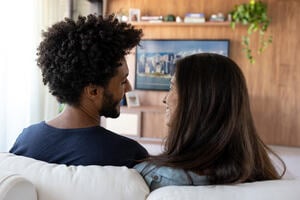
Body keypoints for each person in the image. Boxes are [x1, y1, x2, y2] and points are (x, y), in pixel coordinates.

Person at [9, 14, 148, 168]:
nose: (129, 88)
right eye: (123, 81)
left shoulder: (26, 141)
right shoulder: (128, 155)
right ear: (93, 91)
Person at [134, 53, 286, 191]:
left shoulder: (153, 178)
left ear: (197, 101)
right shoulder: (263, 176)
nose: (165, 99)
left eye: (172, 86)